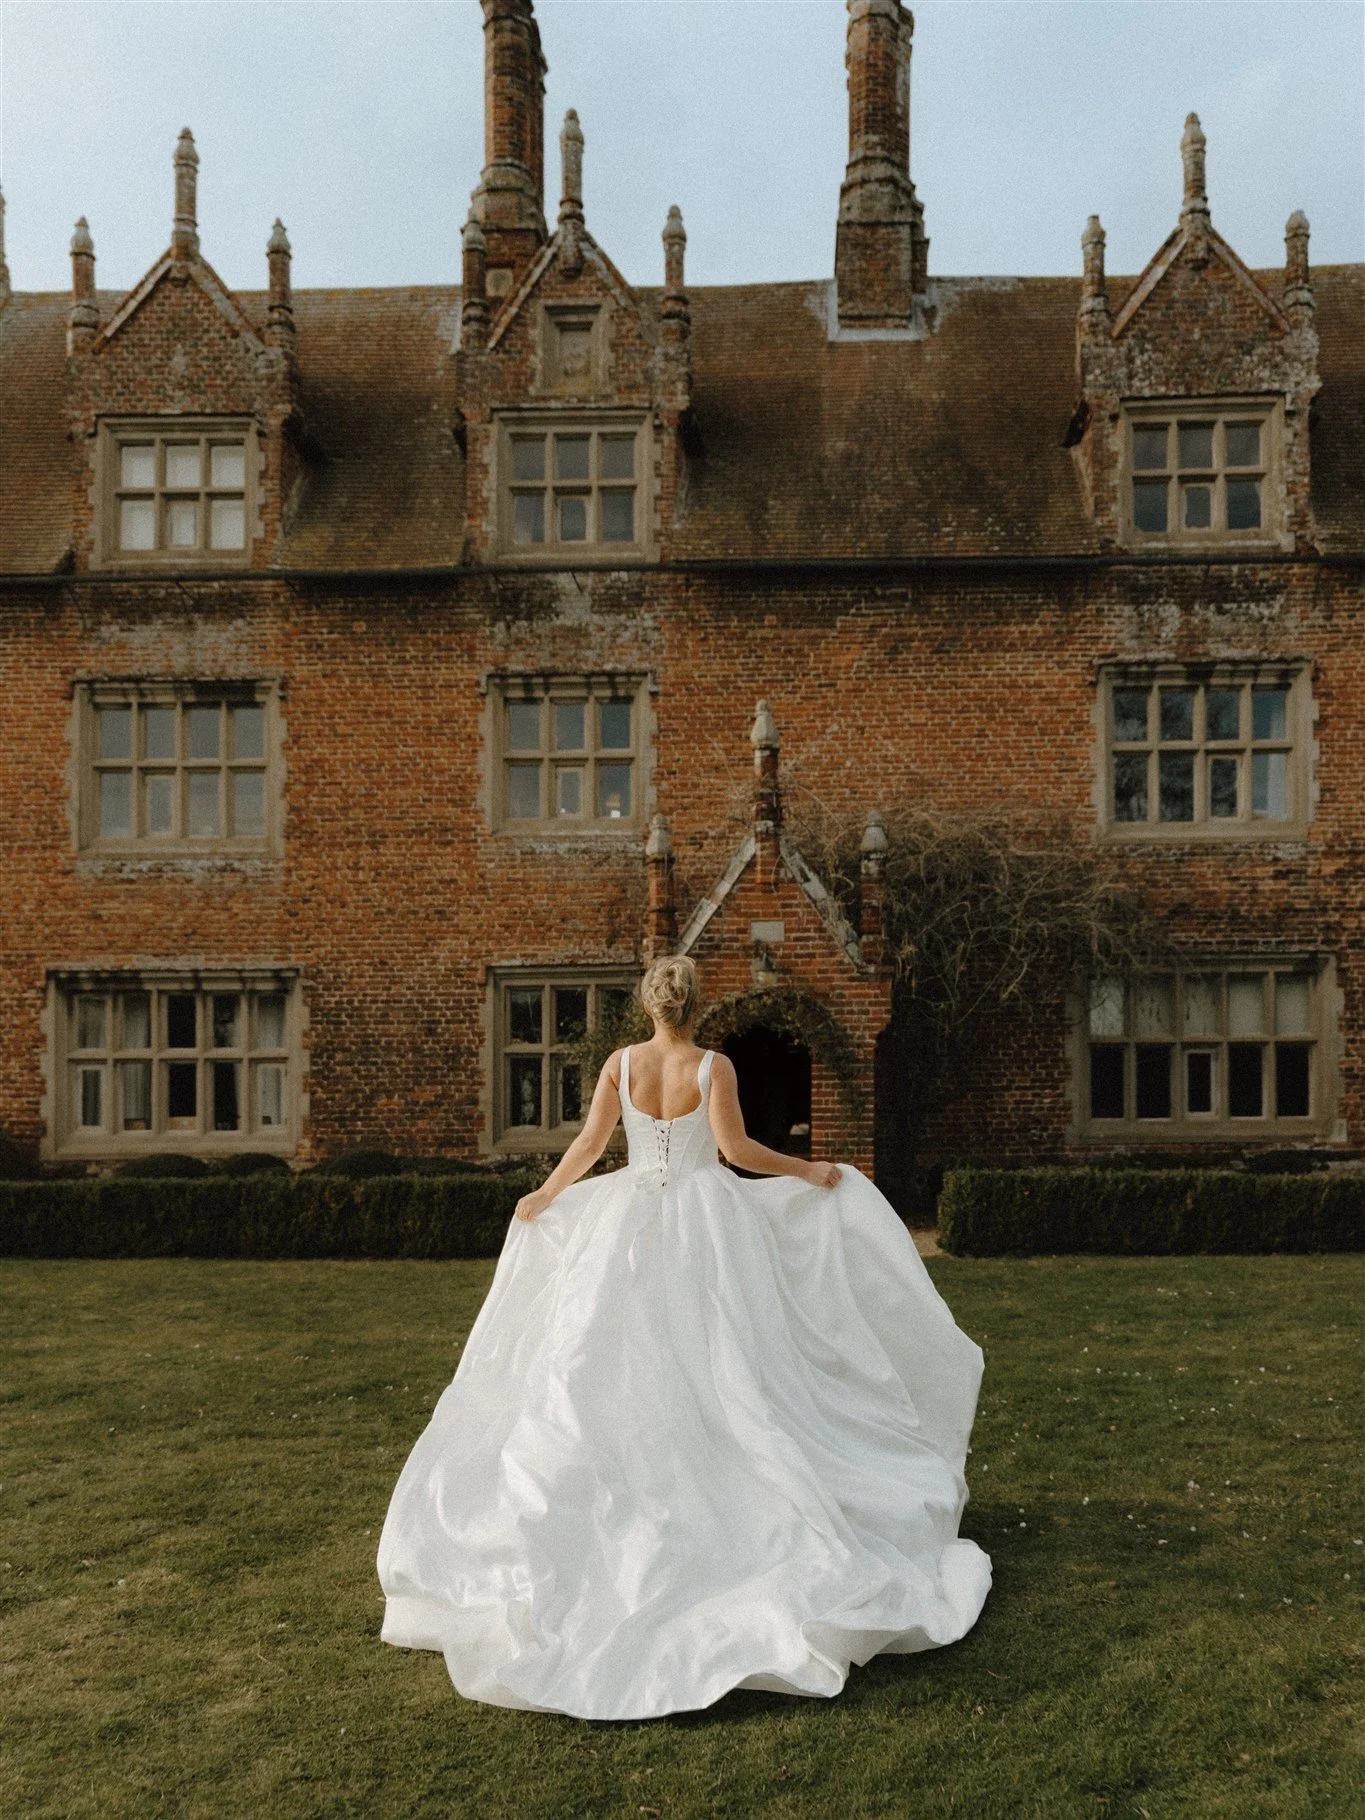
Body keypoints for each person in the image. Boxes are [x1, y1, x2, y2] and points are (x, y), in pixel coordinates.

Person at [377, 956, 991, 1720]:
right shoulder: (712, 1066)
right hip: (704, 1220)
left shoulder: (621, 1063)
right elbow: (735, 1154)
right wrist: (807, 1170)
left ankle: (638, 1475)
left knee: (608, 1357)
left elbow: (591, 1145)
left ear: (646, 1005)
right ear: (697, 1008)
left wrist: (545, 1193)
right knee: (730, 1355)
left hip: (627, 1217)